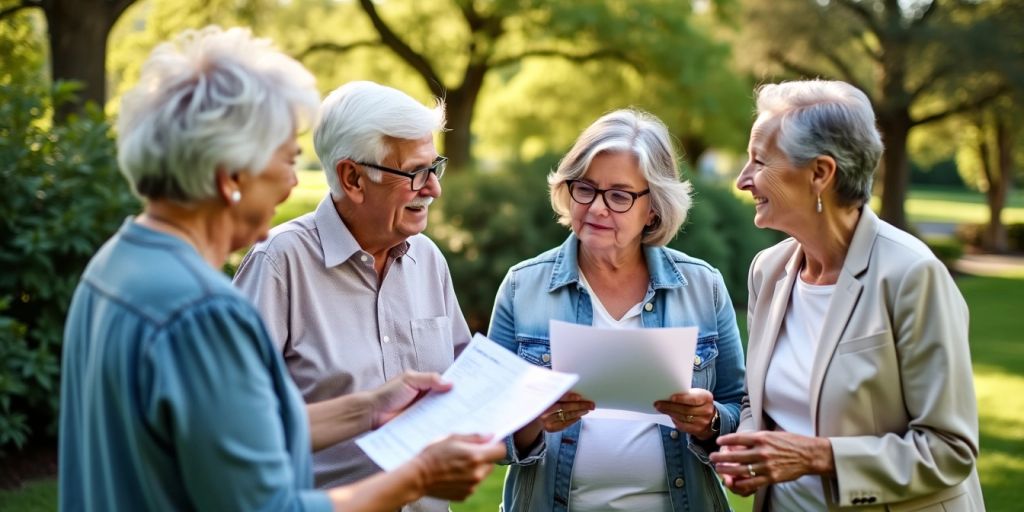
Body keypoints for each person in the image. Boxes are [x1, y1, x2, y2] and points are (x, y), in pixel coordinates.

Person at [58, 26, 503, 512]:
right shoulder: (201, 312)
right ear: (231, 176)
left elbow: (236, 430)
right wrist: (419, 475)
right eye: (287, 160)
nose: (293, 185)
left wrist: (371, 406)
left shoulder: (116, 264)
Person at [710, 79, 984, 511]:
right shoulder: (769, 271)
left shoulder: (912, 275)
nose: (744, 180)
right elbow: (756, 399)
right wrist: (749, 450)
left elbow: (950, 449)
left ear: (820, 173)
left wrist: (816, 457)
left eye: (759, 161)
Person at [488, 109, 746, 511]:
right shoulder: (523, 286)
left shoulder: (703, 286)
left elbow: (738, 410)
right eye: (585, 189)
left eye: (620, 196)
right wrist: (533, 422)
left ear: (654, 208)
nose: (597, 208)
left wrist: (709, 421)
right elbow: (488, 427)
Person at [232, 81, 469, 511]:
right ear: (353, 178)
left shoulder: (428, 259)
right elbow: (234, 427)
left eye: (436, 167)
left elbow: (463, 388)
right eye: (417, 172)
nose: (433, 188)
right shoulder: (279, 264)